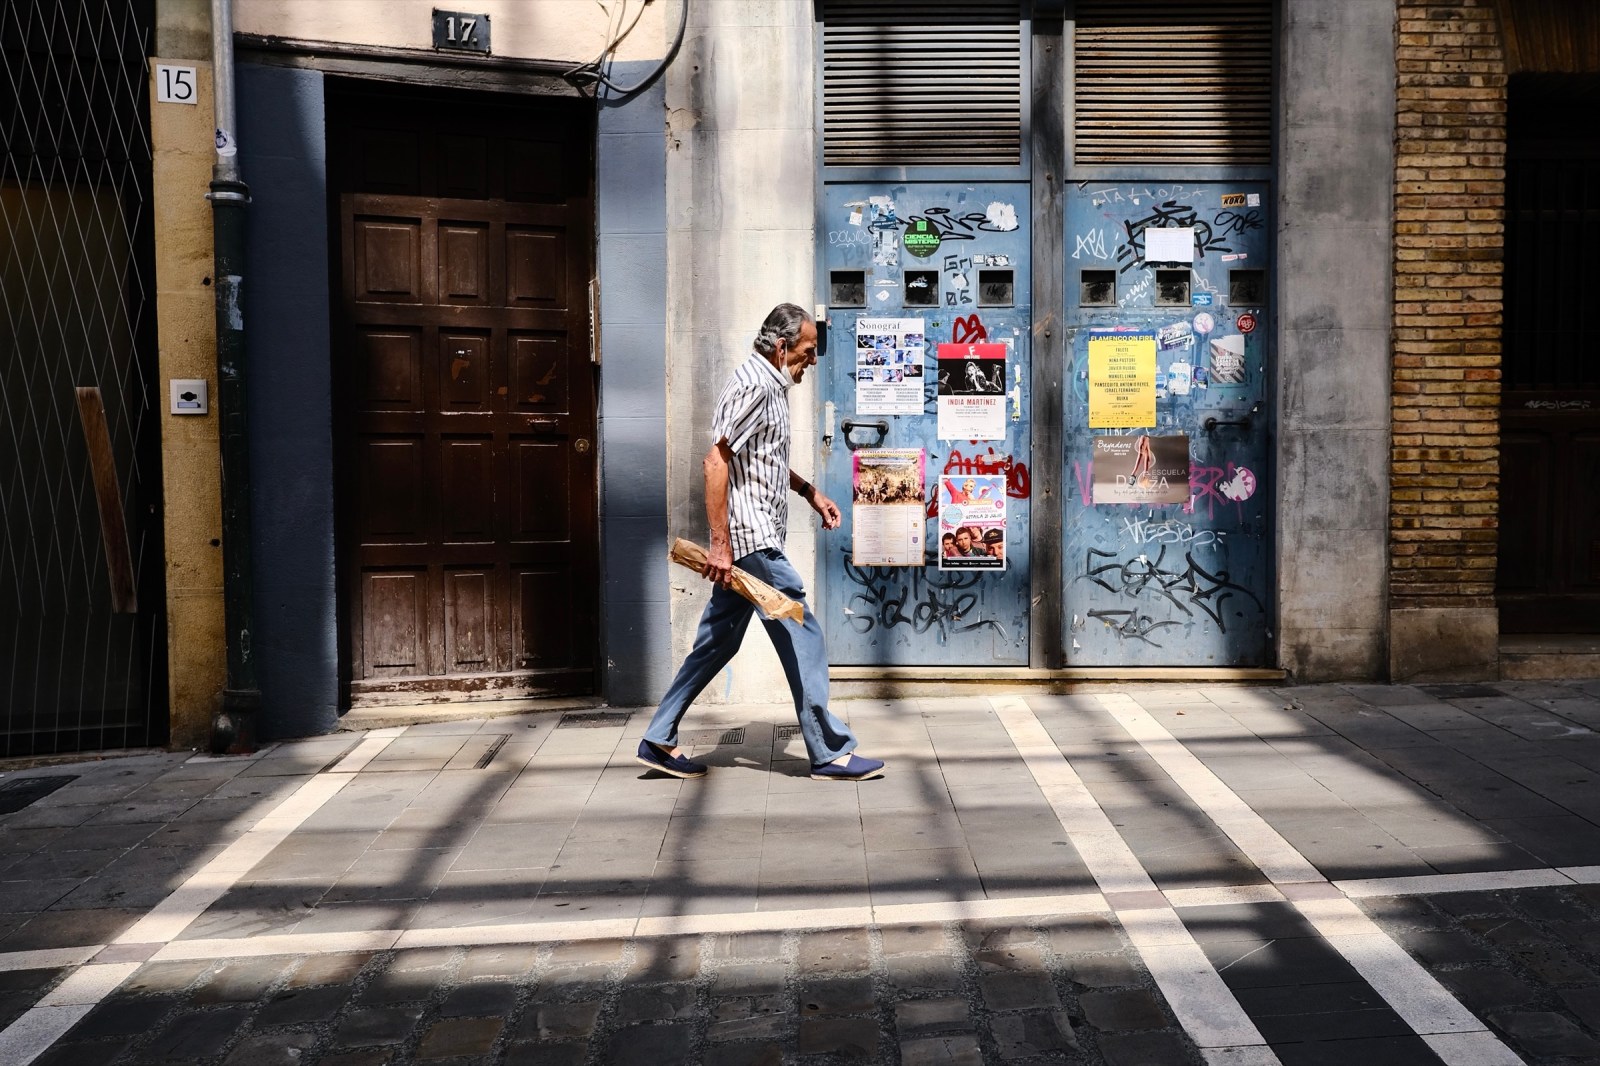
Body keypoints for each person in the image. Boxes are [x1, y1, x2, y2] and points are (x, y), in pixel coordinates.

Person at [637, 303, 885, 783]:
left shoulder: (770, 383)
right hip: (752, 546)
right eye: (808, 351)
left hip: (749, 541)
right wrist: (720, 545)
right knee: (803, 633)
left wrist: (809, 492)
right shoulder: (755, 385)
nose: (812, 360)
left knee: (717, 643)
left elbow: (762, 457)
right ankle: (830, 752)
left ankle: (659, 737)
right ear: (781, 346)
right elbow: (716, 462)